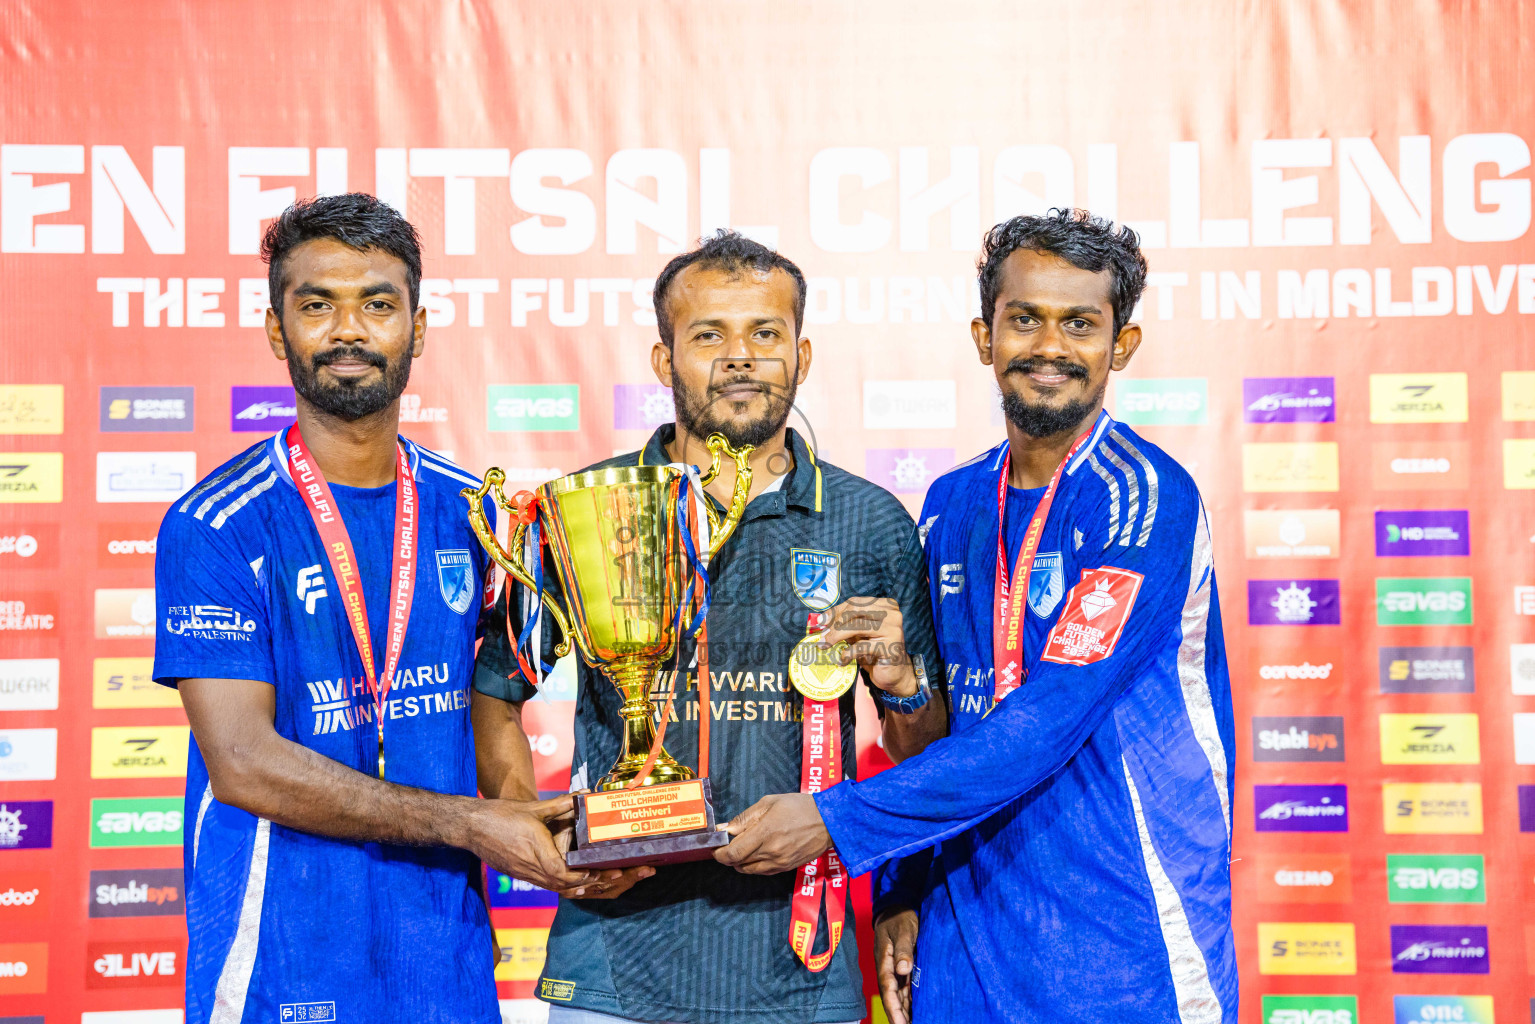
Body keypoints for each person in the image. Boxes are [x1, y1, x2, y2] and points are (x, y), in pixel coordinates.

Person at [718, 209, 1238, 1024]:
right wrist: (901, 884)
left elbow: (1044, 721)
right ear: (983, 336)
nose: (1049, 346)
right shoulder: (951, 501)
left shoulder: (1141, 499)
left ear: (1121, 346)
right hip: (965, 925)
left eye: (1080, 324)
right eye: (1023, 319)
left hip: (1120, 931)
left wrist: (836, 822)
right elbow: (934, 723)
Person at [472, 230, 947, 1024]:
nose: (739, 357)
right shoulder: (584, 509)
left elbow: (923, 752)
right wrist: (538, 836)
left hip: (804, 967)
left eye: (764, 334)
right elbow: (493, 696)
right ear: (664, 362)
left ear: (800, 355)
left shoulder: (870, 523)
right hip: (614, 964)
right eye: (708, 335)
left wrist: (902, 688)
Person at [153, 193, 601, 1024]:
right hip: (278, 957)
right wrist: (473, 825)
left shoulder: (480, 512)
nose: (348, 331)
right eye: (317, 305)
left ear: (417, 329)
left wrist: (535, 829)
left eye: (377, 304)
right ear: (276, 330)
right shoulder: (215, 524)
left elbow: (489, 706)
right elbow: (244, 762)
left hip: (445, 950)